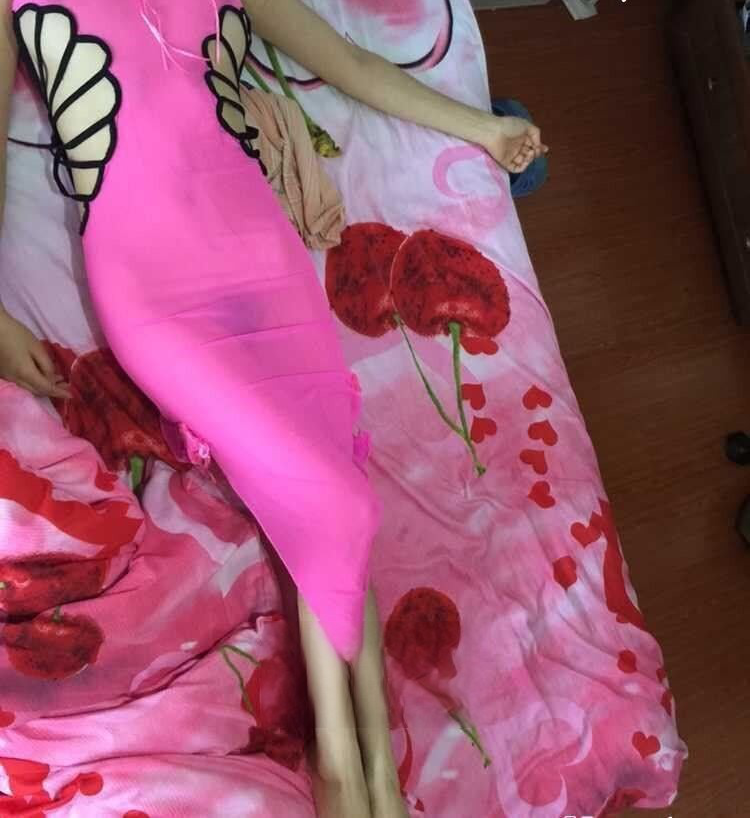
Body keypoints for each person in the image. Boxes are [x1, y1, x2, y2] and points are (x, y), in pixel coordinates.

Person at [0, 1, 547, 816]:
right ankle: (346, 767)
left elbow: (349, 64)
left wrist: (486, 130)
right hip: (152, 287)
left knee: (326, 475)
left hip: (265, 260)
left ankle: (367, 768)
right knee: (336, 500)